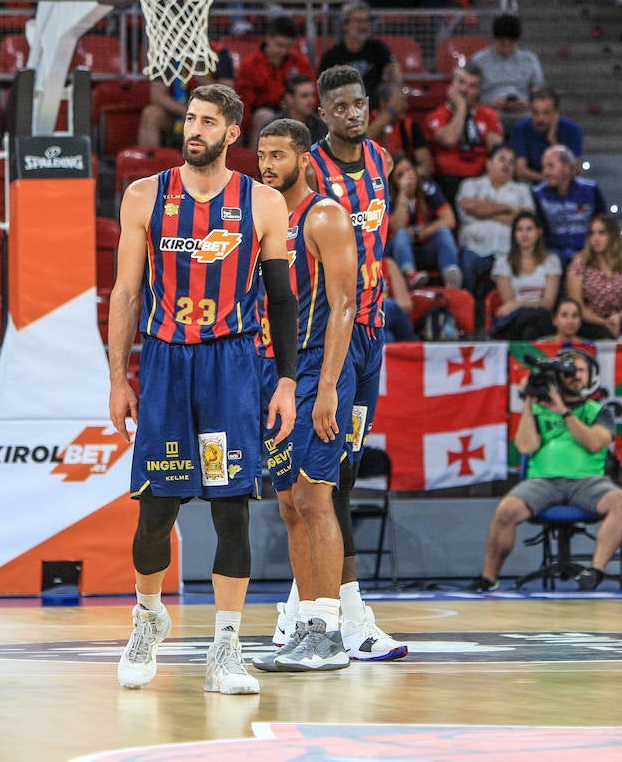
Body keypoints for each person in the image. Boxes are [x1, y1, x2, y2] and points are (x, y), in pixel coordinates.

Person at [108, 84, 296, 695]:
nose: (194, 129)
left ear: (232, 133)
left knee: (230, 509)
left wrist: (287, 380)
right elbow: (126, 293)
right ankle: (147, 617)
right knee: (156, 511)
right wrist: (117, 378)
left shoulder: (263, 202)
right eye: (190, 118)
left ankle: (227, 647)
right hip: (165, 362)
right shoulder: (145, 195)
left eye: (208, 121)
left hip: (232, 363)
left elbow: (281, 300)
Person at [283, 64, 407, 663]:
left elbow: (381, 240)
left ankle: (299, 608)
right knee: (325, 481)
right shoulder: (310, 169)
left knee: (344, 471)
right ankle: (347, 618)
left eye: (359, 104)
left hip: (371, 332)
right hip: (330, 332)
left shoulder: (382, 161)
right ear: (322, 114)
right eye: (340, 107)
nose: (352, 114)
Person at [251, 118, 357, 673]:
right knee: (289, 503)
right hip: (277, 373)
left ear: (303, 159)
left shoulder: (325, 215)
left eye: (278, 155)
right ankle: (306, 626)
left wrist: (330, 387)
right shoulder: (264, 219)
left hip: (318, 368)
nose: (267, 165)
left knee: (317, 499)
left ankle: (330, 632)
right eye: (261, 155)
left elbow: (345, 305)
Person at [466, 348, 622, 592]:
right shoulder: (538, 409)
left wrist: (564, 412)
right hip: (543, 481)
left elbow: (594, 443)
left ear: (591, 375)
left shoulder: (598, 411)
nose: (575, 376)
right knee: (506, 509)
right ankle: (489, 578)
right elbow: (526, 446)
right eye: (569, 371)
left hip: (588, 482)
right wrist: (529, 401)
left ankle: (595, 571)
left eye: (581, 371)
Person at [316, 2, 408, 144]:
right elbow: (323, 90)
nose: (364, 26)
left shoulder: (377, 48)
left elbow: (395, 74)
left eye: (366, 21)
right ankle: (362, 141)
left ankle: (365, 138)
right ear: (345, 25)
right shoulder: (333, 56)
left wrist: (395, 86)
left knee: (398, 95)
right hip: (345, 105)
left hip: (373, 106)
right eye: (358, 21)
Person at [456, 144, 535, 293]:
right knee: (468, 262)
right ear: (489, 164)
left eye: (511, 162)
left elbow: (526, 220)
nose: (507, 165)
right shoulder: (471, 184)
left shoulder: (522, 190)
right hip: (475, 249)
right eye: (502, 160)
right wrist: (509, 208)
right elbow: (471, 207)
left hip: (508, 252)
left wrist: (484, 210)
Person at [422, 62, 503, 204]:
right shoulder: (436, 116)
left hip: (481, 181)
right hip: (449, 182)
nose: (465, 90)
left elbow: (498, 151)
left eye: (472, 86)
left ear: (479, 91)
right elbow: (449, 140)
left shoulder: (489, 116)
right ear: (452, 84)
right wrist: (461, 108)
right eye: (461, 82)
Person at [135, 45, 235, 148]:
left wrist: (201, 77)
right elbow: (157, 96)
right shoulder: (164, 54)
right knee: (151, 114)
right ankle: (151, 157)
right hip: (177, 113)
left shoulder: (219, 53)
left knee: (228, 118)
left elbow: (227, 98)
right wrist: (187, 112)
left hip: (210, 114)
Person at [235, 16, 315, 142]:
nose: (283, 51)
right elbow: (244, 102)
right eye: (279, 45)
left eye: (288, 46)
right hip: (264, 112)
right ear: (268, 38)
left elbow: (312, 92)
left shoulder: (300, 62)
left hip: (295, 110)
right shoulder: (250, 65)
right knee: (263, 116)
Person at [566, 213, 622, 341]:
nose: (596, 238)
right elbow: (577, 306)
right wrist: (605, 323)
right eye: (592, 233)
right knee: (605, 335)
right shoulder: (579, 265)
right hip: (590, 323)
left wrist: (619, 317)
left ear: (613, 236)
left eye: (601, 233)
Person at [387, 154, 461, 289]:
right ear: (393, 181)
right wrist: (403, 194)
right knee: (401, 235)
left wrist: (423, 233)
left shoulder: (427, 186)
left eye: (409, 170)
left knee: (443, 232)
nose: (407, 177)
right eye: (400, 175)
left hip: (425, 247)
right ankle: (409, 275)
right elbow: (397, 227)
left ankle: (451, 275)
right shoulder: (387, 195)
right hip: (397, 254)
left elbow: (450, 219)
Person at [489, 210, 561, 341]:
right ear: (514, 234)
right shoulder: (503, 263)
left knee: (538, 318)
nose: (524, 234)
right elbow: (508, 303)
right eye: (519, 229)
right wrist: (525, 305)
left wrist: (520, 303)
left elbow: (548, 304)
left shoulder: (551, 261)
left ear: (539, 232)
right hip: (516, 319)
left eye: (529, 229)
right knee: (528, 324)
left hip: (542, 317)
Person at [531, 144, 608, 265]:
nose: (545, 172)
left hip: (589, 252)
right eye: (544, 167)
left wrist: (586, 251)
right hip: (553, 255)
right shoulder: (537, 194)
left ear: (566, 167)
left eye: (550, 166)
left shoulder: (590, 190)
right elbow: (541, 234)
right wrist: (567, 254)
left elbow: (603, 224)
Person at [471, 14, 545, 127]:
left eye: (510, 44)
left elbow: (539, 92)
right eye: (502, 44)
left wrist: (526, 104)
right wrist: (490, 104)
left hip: (523, 111)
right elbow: (470, 95)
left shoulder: (529, 60)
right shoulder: (479, 61)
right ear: (494, 39)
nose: (506, 49)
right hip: (489, 110)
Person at [508, 89, 583, 184]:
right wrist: (550, 180)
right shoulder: (520, 129)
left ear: (556, 113)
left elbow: (575, 171)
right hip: (531, 185)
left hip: (563, 186)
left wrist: (552, 140)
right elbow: (521, 171)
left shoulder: (572, 130)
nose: (540, 118)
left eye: (546, 113)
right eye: (535, 112)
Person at [281, 74, 329, 145]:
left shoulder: (321, 126)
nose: (311, 101)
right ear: (289, 99)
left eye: (312, 95)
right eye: (304, 96)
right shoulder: (274, 127)